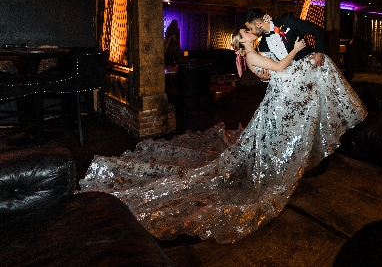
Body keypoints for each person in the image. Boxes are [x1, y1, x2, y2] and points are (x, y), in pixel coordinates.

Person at [79, 27, 367, 244]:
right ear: (242, 42)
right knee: (270, 141)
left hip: (279, 99)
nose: (249, 32)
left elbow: (273, 69)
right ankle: (271, 169)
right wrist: (297, 50)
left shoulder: (258, 49)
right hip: (278, 99)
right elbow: (278, 68)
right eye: (244, 33)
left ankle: (276, 160)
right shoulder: (252, 54)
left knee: (274, 138)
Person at [242, 8, 326, 81]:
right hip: (294, 82)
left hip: (313, 68)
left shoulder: (287, 21)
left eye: (250, 28)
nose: (251, 32)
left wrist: (320, 51)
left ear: (258, 24)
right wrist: (264, 78)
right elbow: (273, 69)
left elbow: (316, 30)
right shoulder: (262, 45)